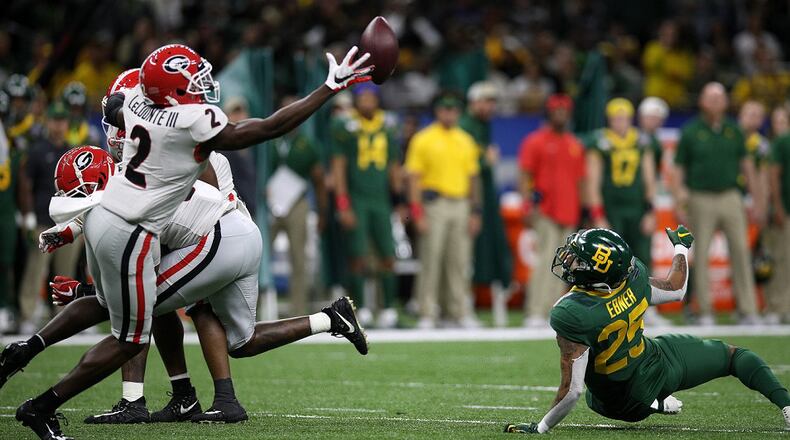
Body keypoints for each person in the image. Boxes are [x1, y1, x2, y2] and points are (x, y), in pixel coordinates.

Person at [6, 42, 373, 440]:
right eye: (189, 80)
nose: (200, 86)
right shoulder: (185, 122)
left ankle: (61, 394)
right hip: (207, 228)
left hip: (212, 230)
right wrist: (329, 87)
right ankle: (325, 321)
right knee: (233, 338)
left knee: (133, 323)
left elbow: (118, 108)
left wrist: (78, 251)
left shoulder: (136, 107)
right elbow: (265, 127)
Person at [503, 226, 790, 434]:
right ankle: (787, 405)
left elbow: (574, 391)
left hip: (618, 402)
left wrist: (540, 428)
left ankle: (655, 401)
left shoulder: (572, 312)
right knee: (734, 357)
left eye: (579, 260)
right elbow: (677, 289)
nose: (569, 262)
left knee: (592, 397)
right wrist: (680, 248)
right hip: (655, 364)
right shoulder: (633, 277)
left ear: (599, 272)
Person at [672, 82, 763, 326]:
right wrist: (679, 201)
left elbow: (748, 167)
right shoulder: (690, 131)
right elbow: (678, 170)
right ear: (701, 101)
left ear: (726, 102)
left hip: (731, 196)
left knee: (741, 252)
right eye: (710, 97)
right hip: (700, 196)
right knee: (701, 255)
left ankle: (748, 309)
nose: (715, 101)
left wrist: (755, 200)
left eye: (720, 97)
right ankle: (704, 311)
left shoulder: (734, 130)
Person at [405, 92, 481, 329]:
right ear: (437, 112)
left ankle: (458, 311)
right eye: (445, 109)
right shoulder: (423, 139)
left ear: (458, 112)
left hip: (460, 204)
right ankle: (427, 311)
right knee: (431, 258)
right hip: (434, 204)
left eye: (453, 109)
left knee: (459, 261)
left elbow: (473, 179)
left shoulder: (466, 139)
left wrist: (475, 211)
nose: (449, 113)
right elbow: (413, 179)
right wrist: (416, 212)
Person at [331, 83, 402, 328]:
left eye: (372, 97)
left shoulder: (389, 125)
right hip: (357, 197)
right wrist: (343, 203)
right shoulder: (345, 125)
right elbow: (338, 166)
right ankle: (359, 308)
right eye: (364, 98)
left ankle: (388, 308)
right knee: (357, 256)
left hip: (381, 198)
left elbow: (394, 166)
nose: (368, 102)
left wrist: (400, 201)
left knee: (388, 254)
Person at [518, 94, 585, 327]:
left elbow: (580, 181)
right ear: (549, 114)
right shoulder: (535, 141)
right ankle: (534, 310)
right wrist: (527, 205)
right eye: (556, 111)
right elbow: (525, 175)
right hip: (545, 210)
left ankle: (552, 309)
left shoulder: (574, 144)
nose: (560, 115)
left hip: (569, 211)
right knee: (546, 260)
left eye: (564, 111)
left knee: (565, 264)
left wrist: (583, 212)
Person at [18, 102, 83, 334]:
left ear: (67, 124)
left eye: (62, 121)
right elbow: (25, 183)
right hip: (43, 220)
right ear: (48, 123)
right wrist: (27, 215)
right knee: (36, 270)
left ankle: (64, 318)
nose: (58, 125)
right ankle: (27, 314)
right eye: (55, 121)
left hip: (67, 221)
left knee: (66, 272)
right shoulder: (37, 150)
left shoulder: (71, 152)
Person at [266, 95, 328, 316]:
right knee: (259, 256)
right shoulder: (269, 138)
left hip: (296, 203)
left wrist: (322, 211)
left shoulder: (307, 143)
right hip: (269, 201)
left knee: (298, 258)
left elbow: (319, 180)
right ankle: (252, 310)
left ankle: (298, 311)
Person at [585, 97, 657, 266]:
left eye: (623, 118)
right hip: (612, 208)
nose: (620, 123)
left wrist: (650, 211)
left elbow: (650, 178)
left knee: (642, 258)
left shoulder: (641, 141)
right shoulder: (600, 142)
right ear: (608, 120)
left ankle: (642, 292)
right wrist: (597, 214)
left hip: (637, 208)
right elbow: (592, 181)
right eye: (616, 119)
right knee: (611, 258)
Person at [459, 81, 513, 302]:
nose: (490, 107)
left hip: (482, 194)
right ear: (475, 102)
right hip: (467, 194)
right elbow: (464, 164)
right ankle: (460, 304)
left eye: (493, 102)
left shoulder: (483, 125)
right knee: (465, 253)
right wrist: (484, 161)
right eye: (487, 101)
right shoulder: (465, 125)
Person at [0, 93, 32, 332]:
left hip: (6, 211)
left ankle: (6, 307)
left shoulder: (13, 149)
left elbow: (21, 183)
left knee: (7, 263)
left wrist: (25, 212)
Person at [767, 105, 790, 325]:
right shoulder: (783, 141)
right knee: (782, 259)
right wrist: (778, 206)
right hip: (787, 207)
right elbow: (774, 175)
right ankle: (777, 306)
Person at [641, 21, 694, 109]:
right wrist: (664, 50)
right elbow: (649, 65)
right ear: (660, 33)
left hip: (675, 99)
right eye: (665, 33)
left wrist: (672, 72)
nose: (669, 37)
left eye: (672, 34)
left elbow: (686, 74)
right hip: (654, 96)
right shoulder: (653, 48)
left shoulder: (682, 53)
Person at [637, 96, 669, 171]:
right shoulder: (632, 137)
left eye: (657, 118)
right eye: (650, 117)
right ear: (641, 117)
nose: (653, 121)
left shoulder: (661, 141)